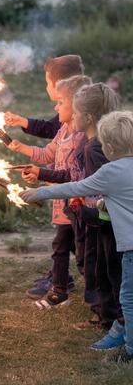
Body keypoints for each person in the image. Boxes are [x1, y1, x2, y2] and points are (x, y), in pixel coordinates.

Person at [20, 111, 133, 363]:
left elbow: (78, 187)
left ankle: (130, 350)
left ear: (110, 147)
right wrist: (105, 204)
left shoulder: (112, 170)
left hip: (131, 249)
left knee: (128, 298)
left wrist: (40, 193)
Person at [6, 75, 92, 306]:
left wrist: (41, 174)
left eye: (60, 102)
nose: (56, 107)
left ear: (76, 107)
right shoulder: (63, 129)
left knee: (83, 255)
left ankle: (101, 301)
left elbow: (72, 175)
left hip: (80, 203)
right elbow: (47, 155)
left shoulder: (83, 137)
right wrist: (21, 148)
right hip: (61, 202)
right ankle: (61, 291)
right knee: (63, 246)